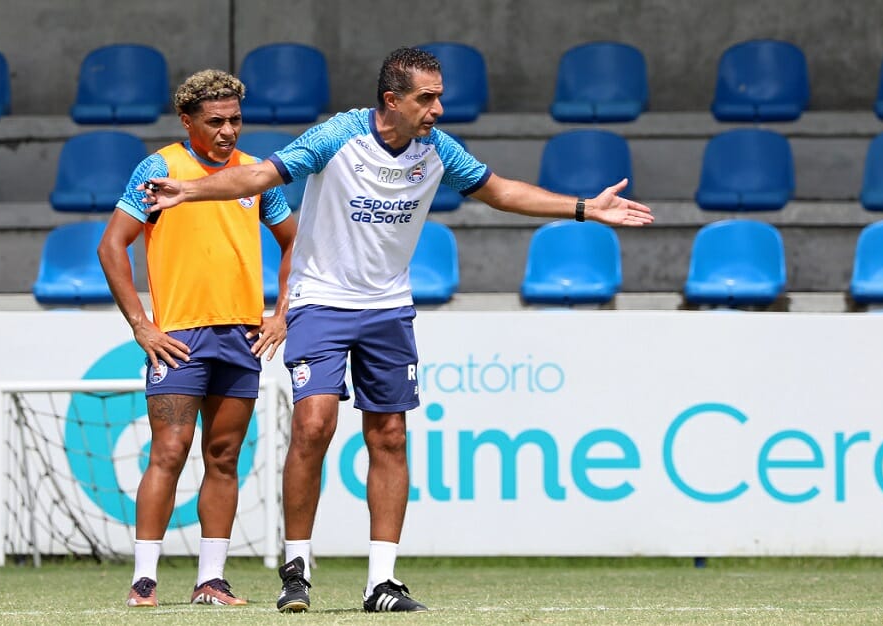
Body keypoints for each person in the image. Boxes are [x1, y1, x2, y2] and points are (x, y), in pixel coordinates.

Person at [143, 47, 654, 613]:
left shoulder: (439, 150)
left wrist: (584, 207)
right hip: (321, 303)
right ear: (393, 100)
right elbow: (262, 174)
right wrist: (188, 189)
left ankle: (381, 583)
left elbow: (502, 191)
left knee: (389, 436)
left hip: (388, 309)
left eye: (439, 96)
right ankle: (297, 569)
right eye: (426, 98)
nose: (437, 108)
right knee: (313, 424)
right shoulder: (338, 135)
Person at [97, 68, 297, 608]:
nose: (228, 131)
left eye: (235, 119)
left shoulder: (256, 174)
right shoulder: (160, 168)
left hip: (241, 335)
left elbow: (294, 245)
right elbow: (112, 246)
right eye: (215, 121)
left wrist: (281, 314)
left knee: (224, 455)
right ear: (187, 121)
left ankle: (212, 580)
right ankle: (144, 580)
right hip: (179, 336)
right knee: (168, 450)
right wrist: (142, 324)